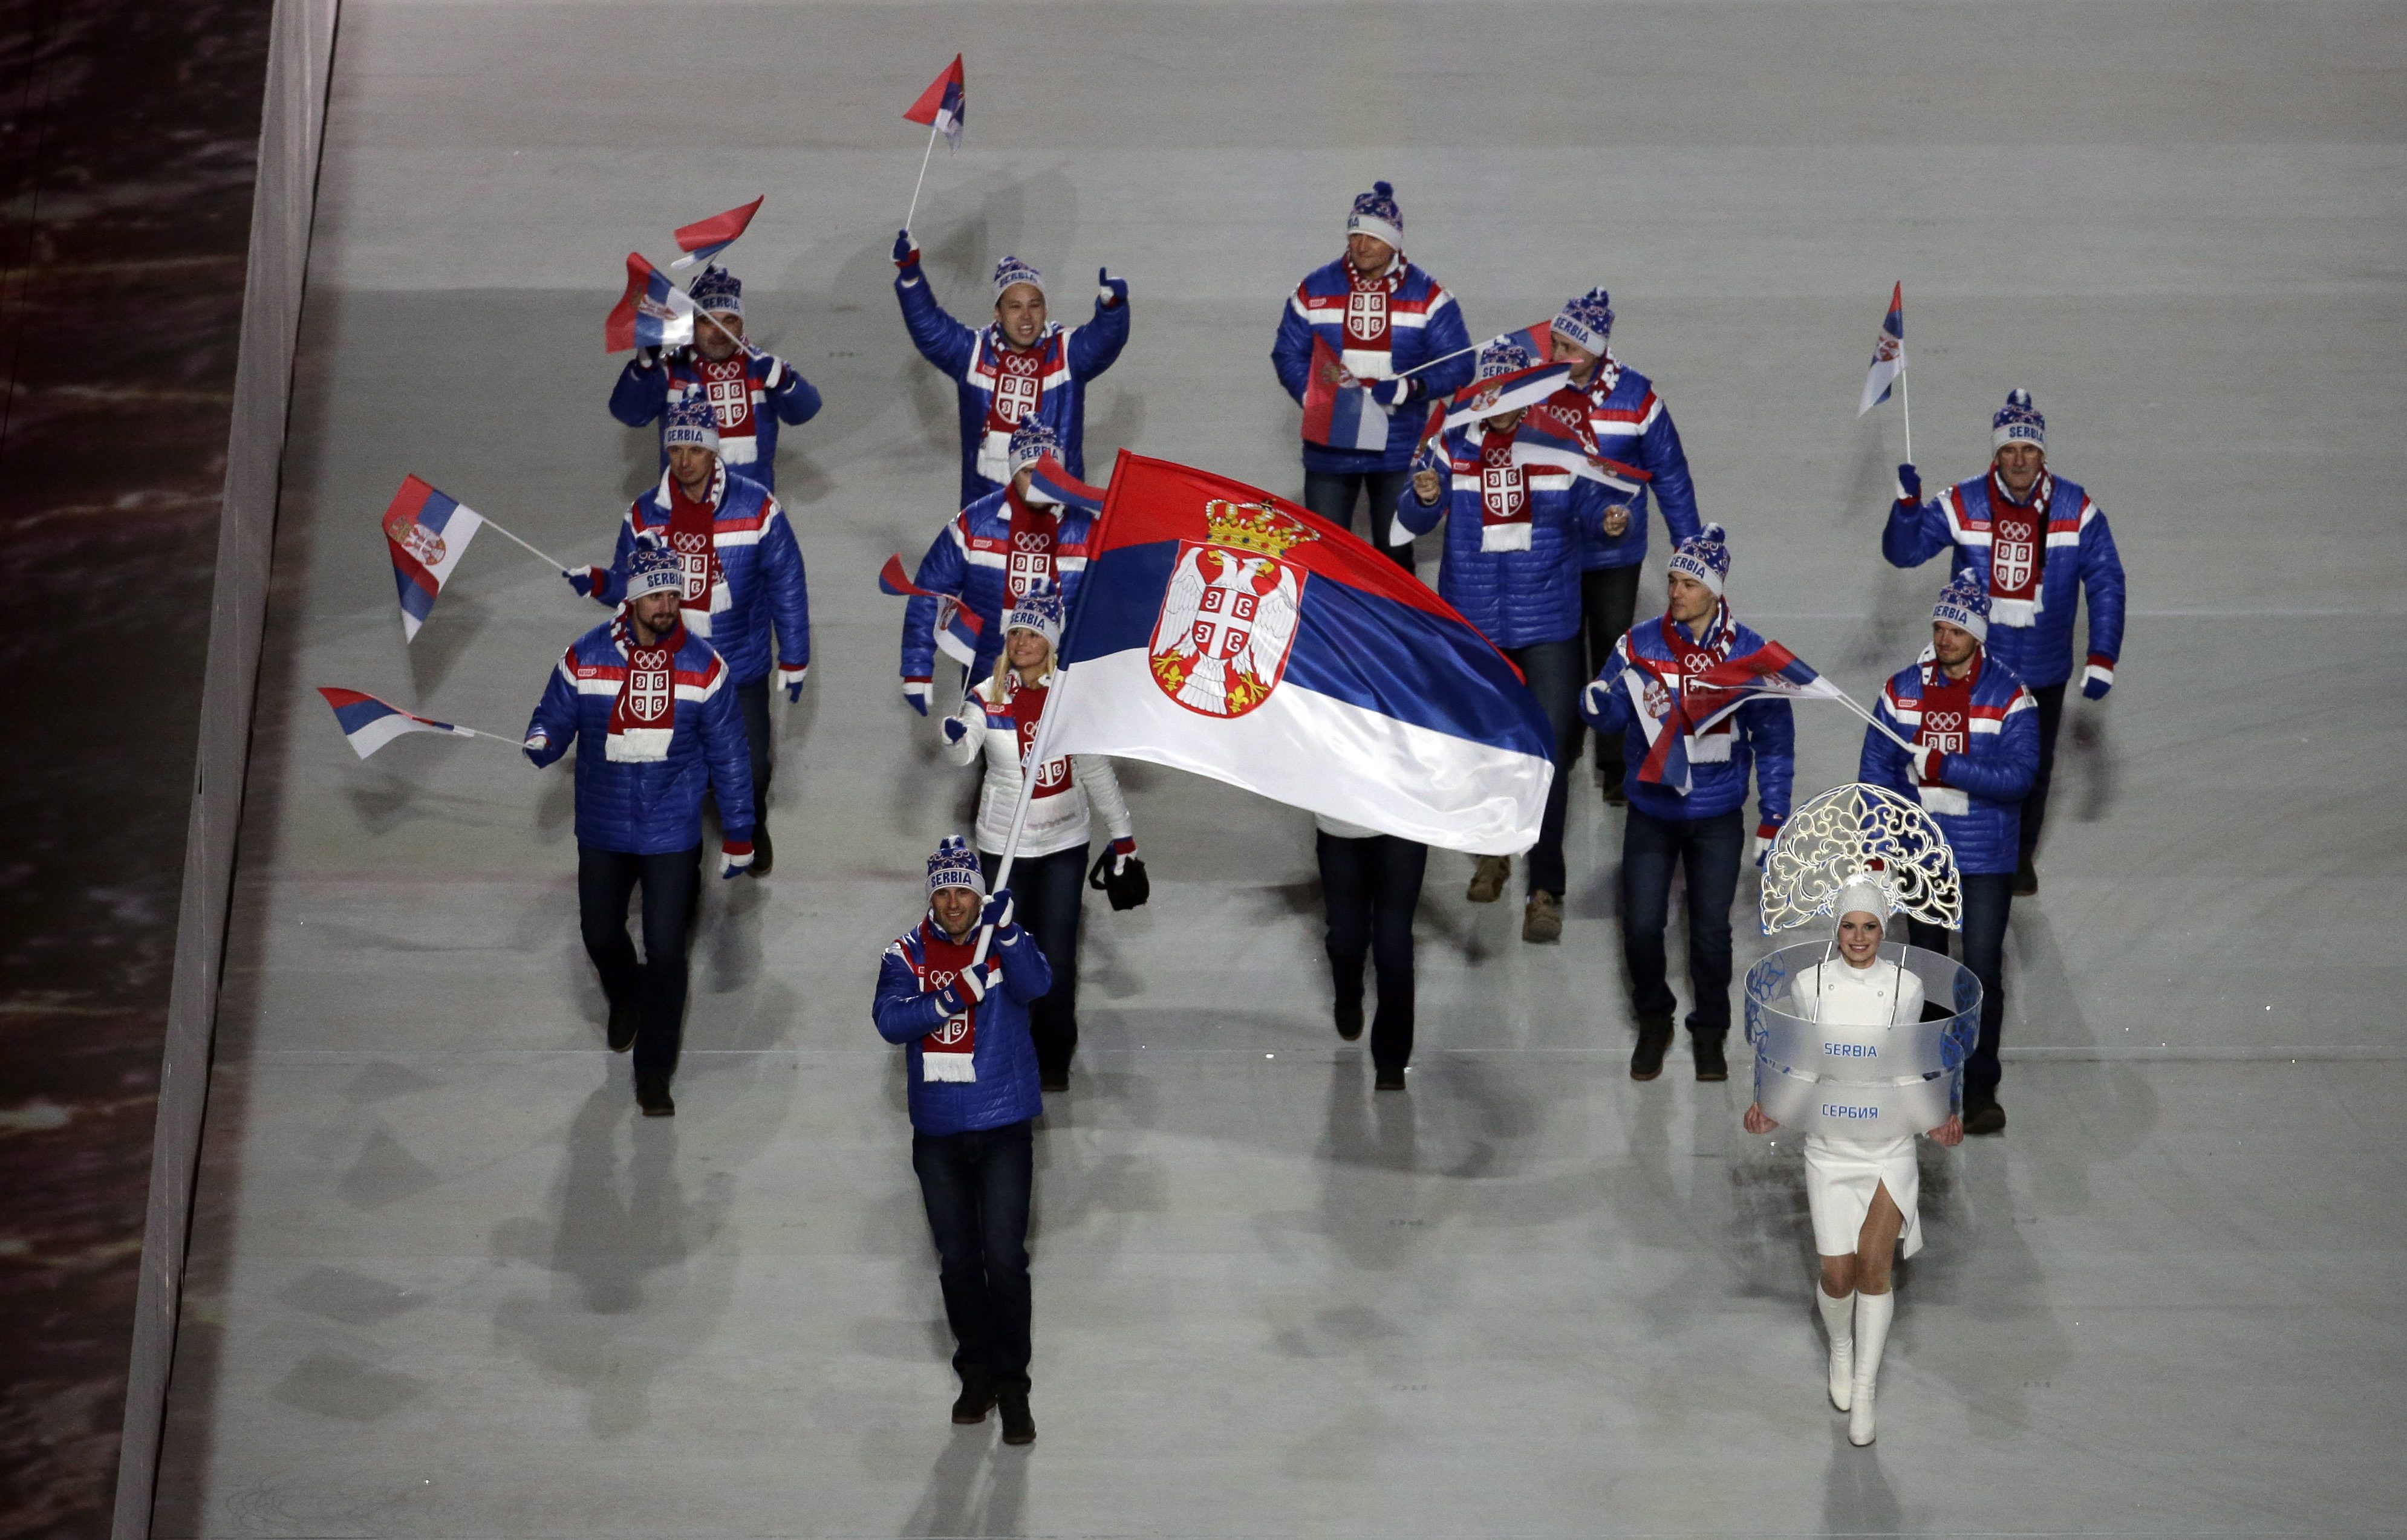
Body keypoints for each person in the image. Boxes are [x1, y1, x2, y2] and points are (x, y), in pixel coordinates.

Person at [523, 544, 755, 1117]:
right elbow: (554, 715)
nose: (667, 606)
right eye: (656, 595)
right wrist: (542, 739)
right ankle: (625, 993)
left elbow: (730, 755)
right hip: (602, 824)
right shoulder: (585, 657)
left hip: (670, 830)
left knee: (669, 952)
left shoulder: (704, 667)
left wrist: (741, 831)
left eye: (674, 595)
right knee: (600, 933)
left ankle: (654, 1071)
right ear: (631, 597)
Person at [1393, 338, 1609, 943]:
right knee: (1481, 750)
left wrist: (1606, 519)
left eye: (1509, 395)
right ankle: (1491, 854)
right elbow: (1411, 518)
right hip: (1475, 622)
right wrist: (1421, 497)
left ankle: (1545, 888)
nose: (1497, 407)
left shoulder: (1560, 439)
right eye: (1488, 395)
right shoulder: (1449, 441)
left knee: (1546, 754)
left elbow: (1593, 502)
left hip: (1547, 622)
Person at [1742, 881, 1965, 1446]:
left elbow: (1907, 1065)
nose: (1859, 937)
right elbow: (1806, 1062)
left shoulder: (1906, 987)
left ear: (1884, 930)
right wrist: (1773, 1104)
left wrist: (1937, 1113)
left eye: (1869, 926)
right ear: (1835, 928)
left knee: (1874, 1268)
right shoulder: (1809, 985)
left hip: (1889, 1143)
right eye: (1849, 926)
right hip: (1830, 1144)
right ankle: (1840, 1348)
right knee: (1837, 1277)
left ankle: (1864, 1386)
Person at [1883, 388, 2125, 894]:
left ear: (2042, 454)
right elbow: (1904, 555)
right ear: (1996, 454)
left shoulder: (2074, 509)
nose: (2019, 460)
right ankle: (1957, 852)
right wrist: (1907, 508)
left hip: (2044, 667)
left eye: (2029, 449)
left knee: (2032, 770)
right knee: (1965, 759)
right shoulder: (1964, 501)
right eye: (2009, 450)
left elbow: (2105, 578)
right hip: (1974, 668)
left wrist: (2102, 655)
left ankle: (2017, 859)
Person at [1580, 524, 1794, 1081]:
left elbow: (1773, 740)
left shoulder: (1750, 656)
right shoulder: (1638, 645)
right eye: (1673, 581)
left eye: (1688, 584)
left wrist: (1774, 817)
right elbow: (1611, 712)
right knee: (1644, 925)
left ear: (1715, 591)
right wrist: (1597, 702)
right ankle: (1654, 1019)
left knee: (1710, 929)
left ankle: (1710, 1030)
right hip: (1653, 810)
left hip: (1717, 815)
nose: (1675, 592)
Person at [566, 399, 810, 874]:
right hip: (673, 668)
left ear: (714, 452)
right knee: (676, 773)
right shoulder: (643, 516)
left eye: (695, 449)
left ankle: (751, 823)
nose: (683, 459)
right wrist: (601, 582)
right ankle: (681, 868)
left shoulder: (757, 507)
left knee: (752, 765)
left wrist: (795, 655)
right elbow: (629, 590)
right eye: (675, 447)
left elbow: (787, 580)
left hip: (740, 665)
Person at [871, 837, 1052, 1446]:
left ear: (979, 893)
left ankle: (1014, 1385)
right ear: (932, 897)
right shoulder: (903, 954)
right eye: (944, 892)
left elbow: (1038, 985)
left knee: (1004, 1259)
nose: (954, 903)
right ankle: (974, 1376)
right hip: (940, 1136)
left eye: (963, 891)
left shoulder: (1001, 943)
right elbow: (890, 1021)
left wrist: (1007, 935)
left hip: (1001, 1127)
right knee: (957, 1262)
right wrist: (947, 998)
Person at [1858, 574, 2040, 1135]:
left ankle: (1982, 1087)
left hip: (1985, 858)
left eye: (1956, 628)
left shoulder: (2011, 697)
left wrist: (1946, 765)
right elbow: (1878, 772)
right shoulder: (1901, 691)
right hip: (1923, 855)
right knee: (1930, 972)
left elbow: (2020, 777)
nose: (1945, 637)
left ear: (1978, 635)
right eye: (1939, 626)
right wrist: (1878, 846)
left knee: (1982, 969)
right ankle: (1935, 1084)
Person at [940, 588, 1136, 1093]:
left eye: (1034, 633)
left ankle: (1054, 1054)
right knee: (1000, 954)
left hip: (1065, 846)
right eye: (1016, 633)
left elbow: (1094, 769)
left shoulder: (1070, 700)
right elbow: (965, 755)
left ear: (1051, 642)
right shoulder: (987, 696)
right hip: (1005, 850)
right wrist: (954, 736)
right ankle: (1004, 1048)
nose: (1023, 641)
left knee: (1055, 953)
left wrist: (1123, 837)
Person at [1541, 287, 1704, 802]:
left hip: (1614, 553)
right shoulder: (1537, 390)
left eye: (1569, 348)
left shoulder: (1637, 397)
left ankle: (1614, 758)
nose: (1558, 356)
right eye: (1555, 344)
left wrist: (1691, 555)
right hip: (1555, 544)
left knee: (1615, 646)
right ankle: (1562, 746)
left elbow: (1671, 476)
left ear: (1594, 351)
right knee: (1559, 648)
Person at [1272, 180, 1474, 570]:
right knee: (1325, 552)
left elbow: (1459, 364)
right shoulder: (1314, 289)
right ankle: (1332, 630)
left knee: (1395, 550)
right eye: (1355, 235)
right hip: (1330, 445)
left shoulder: (1429, 297)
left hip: (1397, 449)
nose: (1362, 246)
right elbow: (1288, 353)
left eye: (1373, 238)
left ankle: (1397, 630)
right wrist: (1319, 399)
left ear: (1395, 242)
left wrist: (1411, 387)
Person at [893, 236, 1130, 507]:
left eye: (1035, 305)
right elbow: (931, 330)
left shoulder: (1066, 352)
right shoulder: (973, 353)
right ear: (998, 312)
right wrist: (911, 278)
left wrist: (1113, 310)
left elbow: (1103, 343)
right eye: (1015, 307)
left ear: (1046, 308)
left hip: (1057, 507)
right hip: (987, 505)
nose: (1026, 317)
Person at [898, 421, 1098, 717]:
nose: (1040, 484)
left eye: (1049, 474)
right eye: (1030, 473)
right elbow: (931, 591)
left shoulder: (1089, 533)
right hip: (988, 676)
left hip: (1063, 681)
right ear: (1014, 471)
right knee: (993, 757)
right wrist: (917, 669)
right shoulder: (974, 525)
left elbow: (1115, 606)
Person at [607, 265, 821, 492]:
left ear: (741, 322)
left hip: (751, 510)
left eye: (729, 320)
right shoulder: (671, 370)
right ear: (693, 324)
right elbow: (630, 414)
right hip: (686, 509)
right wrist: (643, 369)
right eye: (709, 321)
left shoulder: (763, 367)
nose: (720, 332)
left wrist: (786, 383)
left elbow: (805, 412)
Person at [1314, 814, 1425, 1090]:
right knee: (1346, 937)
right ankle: (1348, 993)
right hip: (1339, 824)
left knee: (1394, 942)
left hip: (1403, 821)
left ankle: (1392, 1060)